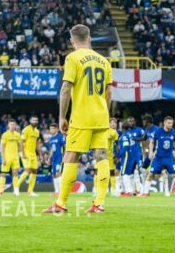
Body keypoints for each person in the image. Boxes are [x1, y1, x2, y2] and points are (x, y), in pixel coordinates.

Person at [43, 24, 113, 214]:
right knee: (101, 157)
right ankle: (99, 204)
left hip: (82, 116)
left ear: (73, 41)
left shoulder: (72, 58)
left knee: (71, 155)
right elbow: (109, 92)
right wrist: (103, 112)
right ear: (89, 39)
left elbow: (66, 88)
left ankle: (61, 203)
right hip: (101, 116)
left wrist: (61, 117)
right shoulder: (104, 61)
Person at [141, 116, 175, 197]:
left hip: (169, 157)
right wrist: (151, 152)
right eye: (169, 123)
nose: (171, 124)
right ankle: (145, 192)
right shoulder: (158, 131)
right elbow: (152, 142)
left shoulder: (174, 132)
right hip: (158, 157)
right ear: (164, 123)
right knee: (151, 174)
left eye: (171, 123)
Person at [15, 115, 41, 197]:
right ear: (30, 121)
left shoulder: (37, 132)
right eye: (33, 120)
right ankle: (16, 186)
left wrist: (40, 154)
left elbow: (36, 144)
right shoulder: (26, 130)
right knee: (28, 170)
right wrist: (22, 153)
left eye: (36, 120)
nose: (35, 121)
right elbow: (21, 142)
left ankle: (30, 192)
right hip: (26, 153)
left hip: (33, 154)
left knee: (34, 171)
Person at [0, 118, 22, 195]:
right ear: (8, 125)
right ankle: (1, 190)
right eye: (11, 124)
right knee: (3, 174)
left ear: (15, 126)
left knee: (15, 174)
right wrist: (3, 158)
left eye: (13, 124)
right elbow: (2, 147)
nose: (12, 126)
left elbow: (20, 145)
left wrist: (21, 153)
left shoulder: (18, 135)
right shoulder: (5, 135)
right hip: (7, 157)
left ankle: (16, 190)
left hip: (15, 157)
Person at [47, 122, 66, 197]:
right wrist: (49, 158)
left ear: (57, 129)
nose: (51, 130)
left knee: (59, 174)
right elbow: (52, 149)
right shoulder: (51, 138)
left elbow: (65, 146)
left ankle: (61, 192)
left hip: (60, 158)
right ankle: (56, 191)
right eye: (50, 129)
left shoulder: (60, 137)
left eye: (53, 128)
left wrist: (65, 156)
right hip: (54, 159)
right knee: (54, 175)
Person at [117, 123, 135, 196]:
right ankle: (129, 190)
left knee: (125, 174)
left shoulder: (124, 136)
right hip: (130, 156)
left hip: (126, 156)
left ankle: (129, 191)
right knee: (127, 174)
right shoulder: (129, 134)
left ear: (122, 128)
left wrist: (119, 155)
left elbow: (126, 147)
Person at [107, 118, 119, 197]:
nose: (113, 124)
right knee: (98, 172)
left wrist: (117, 155)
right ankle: (97, 190)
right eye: (111, 123)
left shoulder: (115, 133)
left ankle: (113, 190)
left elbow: (117, 145)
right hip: (101, 154)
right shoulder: (104, 130)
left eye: (115, 123)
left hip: (110, 155)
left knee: (112, 172)